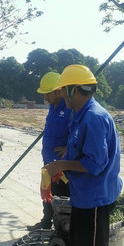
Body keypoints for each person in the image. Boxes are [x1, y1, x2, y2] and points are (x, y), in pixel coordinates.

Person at [43, 65, 122, 246]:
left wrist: (62, 165)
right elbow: (82, 148)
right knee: (78, 243)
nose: (64, 96)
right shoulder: (81, 113)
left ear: (75, 89)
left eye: (65, 90)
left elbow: (96, 163)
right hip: (83, 194)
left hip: (96, 196)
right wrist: (68, 153)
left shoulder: (94, 117)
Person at [30, 72, 71, 230]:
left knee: (61, 196)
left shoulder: (69, 108)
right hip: (48, 160)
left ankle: (61, 229)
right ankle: (46, 222)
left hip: (61, 165)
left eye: (48, 93)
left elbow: (77, 132)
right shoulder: (52, 107)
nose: (45, 96)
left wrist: (68, 147)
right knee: (47, 192)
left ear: (59, 91)